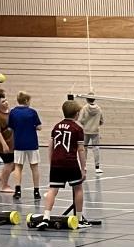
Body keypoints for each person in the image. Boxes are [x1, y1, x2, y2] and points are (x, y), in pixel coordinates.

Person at [34, 99, 86, 228]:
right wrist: (83, 168)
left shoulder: (56, 126)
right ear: (77, 113)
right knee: (78, 188)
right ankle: (79, 219)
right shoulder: (78, 128)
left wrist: (52, 162)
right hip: (70, 162)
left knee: (52, 189)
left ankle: (46, 217)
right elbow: (81, 149)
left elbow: (50, 146)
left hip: (56, 163)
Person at [7, 90, 42, 202]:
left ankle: (17, 191)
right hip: (32, 143)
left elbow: (10, 128)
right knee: (34, 167)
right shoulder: (32, 112)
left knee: (18, 167)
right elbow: (39, 127)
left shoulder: (13, 112)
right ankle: (36, 191)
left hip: (19, 143)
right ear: (26, 100)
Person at [0, 90, 14, 193]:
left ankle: (2, 175)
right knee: (9, 163)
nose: (6, 102)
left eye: (6, 100)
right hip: (2, 145)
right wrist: (4, 144)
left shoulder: (10, 112)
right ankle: (3, 186)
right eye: (3, 102)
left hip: (11, 143)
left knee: (14, 164)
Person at [79, 93, 104, 173]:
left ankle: (84, 166)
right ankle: (97, 168)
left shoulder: (84, 108)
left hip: (85, 131)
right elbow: (102, 121)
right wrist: (96, 124)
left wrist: (86, 124)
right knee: (96, 149)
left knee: (84, 149)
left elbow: (80, 120)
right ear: (94, 99)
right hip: (95, 131)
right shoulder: (99, 109)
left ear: (87, 99)